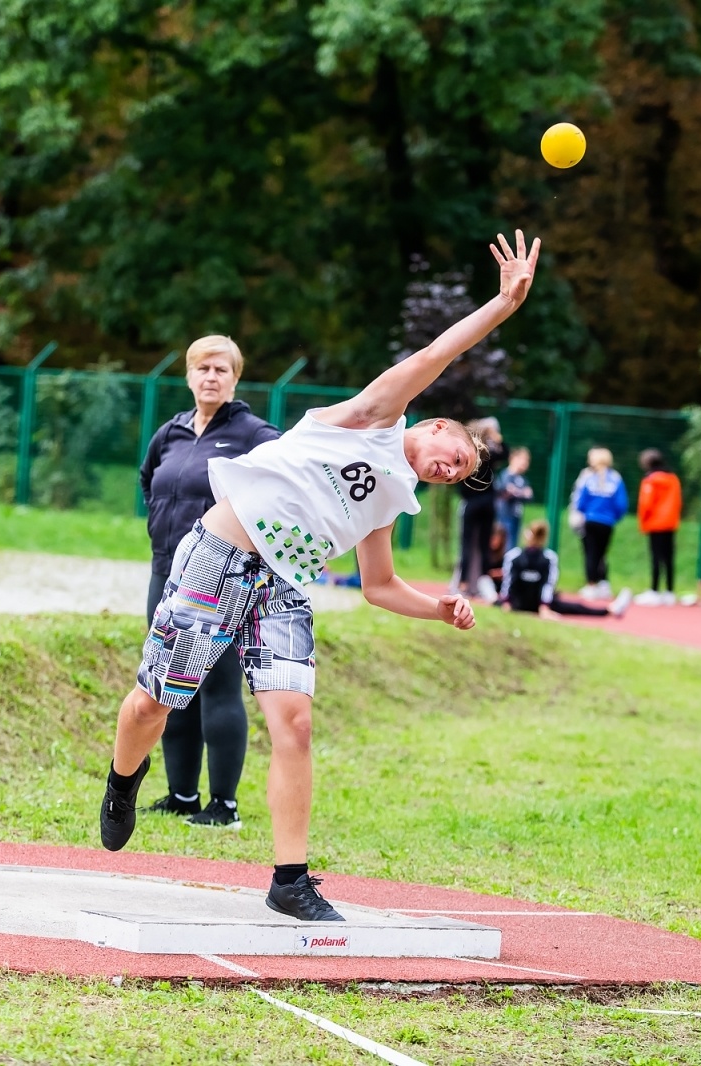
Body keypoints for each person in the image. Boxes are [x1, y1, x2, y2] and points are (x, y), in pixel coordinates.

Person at [100, 229, 541, 923]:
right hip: (220, 553)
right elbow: (436, 353)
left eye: (459, 474)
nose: (453, 466)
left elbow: (378, 586)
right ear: (432, 427)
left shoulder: (393, 498)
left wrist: (440, 608)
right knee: (154, 705)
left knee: (296, 726)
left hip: (284, 587)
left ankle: (290, 879)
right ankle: (124, 781)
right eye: (455, 451)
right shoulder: (371, 417)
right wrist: (503, 305)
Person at [139, 334, 280, 829]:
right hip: (166, 570)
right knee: (169, 685)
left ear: (235, 377)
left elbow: (282, 492)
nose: (211, 377)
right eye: (202, 368)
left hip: (221, 576)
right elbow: (148, 481)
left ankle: (224, 806)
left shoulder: (253, 435)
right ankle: (181, 794)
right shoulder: (171, 432)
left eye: (221, 369)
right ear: (189, 375)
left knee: (217, 686)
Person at [499, 520, 630, 619]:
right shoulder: (544, 557)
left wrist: (507, 602)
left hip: (520, 604)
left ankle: (611, 609)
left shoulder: (517, 556)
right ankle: (610, 610)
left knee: (575, 607)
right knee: (577, 607)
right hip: (531, 604)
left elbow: (510, 582)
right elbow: (547, 584)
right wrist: (543, 606)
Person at [454, 417, 504, 599]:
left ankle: (463, 583)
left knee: (467, 544)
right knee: (483, 546)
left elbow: (459, 485)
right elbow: (505, 452)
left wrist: (467, 496)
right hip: (487, 503)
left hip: (473, 504)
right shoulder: (488, 456)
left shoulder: (469, 457)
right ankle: (483, 582)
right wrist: (496, 436)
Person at [569, 447, 627, 600]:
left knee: (590, 553)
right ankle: (603, 584)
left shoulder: (589, 477)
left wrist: (583, 513)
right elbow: (621, 504)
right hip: (607, 523)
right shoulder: (616, 478)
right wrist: (613, 517)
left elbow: (580, 500)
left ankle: (591, 585)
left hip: (591, 520)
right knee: (602, 554)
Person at [634, 449, 682, 606]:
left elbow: (646, 504)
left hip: (655, 523)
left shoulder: (650, 480)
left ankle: (654, 591)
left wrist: (643, 523)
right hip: (670, 523)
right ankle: (669, 592)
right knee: (669, 558)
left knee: (656, 557)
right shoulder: (673, 478)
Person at [494, 446, 533, 554]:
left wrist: (517, 492)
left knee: (513, 544)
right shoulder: (505, 475)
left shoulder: (522, 479)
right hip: (504, 515)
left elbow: (529, 496)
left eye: (527, 460)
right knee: (504, 543)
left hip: (516, 516)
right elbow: (507, 493)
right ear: (513, 458)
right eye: (523, 459)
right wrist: (522, 493)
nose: (525, 463)